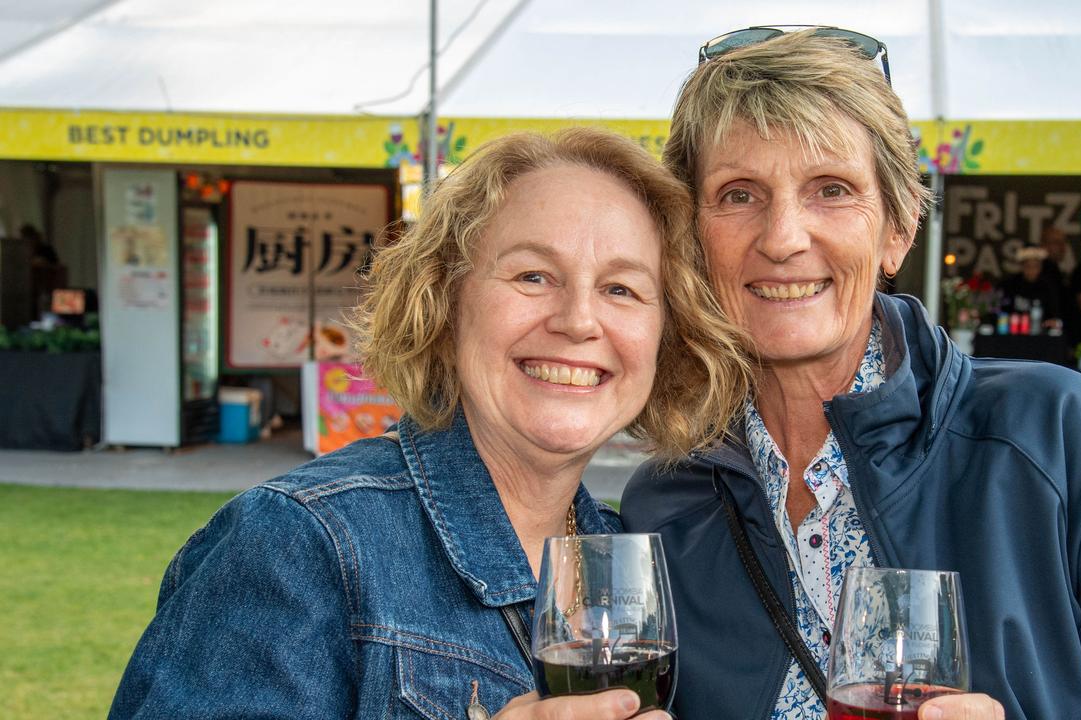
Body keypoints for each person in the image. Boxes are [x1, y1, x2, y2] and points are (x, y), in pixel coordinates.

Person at [622, 27, 1081, 720]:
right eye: (740, 194)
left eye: (831, 189)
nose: (783, 237)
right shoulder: (665, 507)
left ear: (896, 229)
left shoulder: (1049, 432)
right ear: (692, 237)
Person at [109, 128, 752, 719]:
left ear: (667, 337)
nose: (579, 320)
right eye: (533, 275)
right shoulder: (301, 544)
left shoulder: (623, 554)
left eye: (622, 289)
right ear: (443, 304)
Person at [999, 245, 1062, 329]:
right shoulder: (1010, 285)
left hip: (1040, 334)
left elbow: (1054, 314)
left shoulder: (1048, 287)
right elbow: (1003, 311)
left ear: (1040, 267)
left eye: (1035, 266)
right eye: (1028, 266)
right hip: (1014, 332)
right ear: (1022, 266)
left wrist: (1055, 322)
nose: (1031, 270)